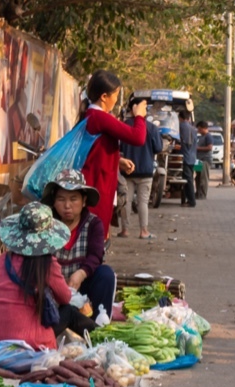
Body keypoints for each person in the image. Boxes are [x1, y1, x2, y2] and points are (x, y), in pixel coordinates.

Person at [0, 203, 96, 350]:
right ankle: (104, 338)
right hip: (32, 343)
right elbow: (65, 298)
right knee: (69, 312)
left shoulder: (3, 260)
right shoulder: (48, 264)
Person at [80, 71, 150, 237]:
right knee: (97, 234)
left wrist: (118, 160)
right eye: (116, 94)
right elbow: (138, 137)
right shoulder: (100, 117)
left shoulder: (92, 115)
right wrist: (139, 116)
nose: (116, 100)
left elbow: (95, 149)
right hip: (98, 184)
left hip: (97, 180)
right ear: (104, 96)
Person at [44, 169, 116, 317]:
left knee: (106, 274)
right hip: (51, 287)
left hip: (80, 285)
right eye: (61, 199)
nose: (67, 205)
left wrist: (81, 273)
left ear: (84, 201)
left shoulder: (93, 224)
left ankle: (98, 324)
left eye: (73, 199)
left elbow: (96, 255)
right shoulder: (46, 223)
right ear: (54, 201)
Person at [115, 106, 159, 237]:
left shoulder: (124, 126)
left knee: (126, 201)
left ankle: (125, 230)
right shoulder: (151, 128)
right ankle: (143, 231)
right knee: (143, 202)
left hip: (127, 169)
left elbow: (118, 146)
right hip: (145, 170)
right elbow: (158, 147)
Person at [175, 106, 201, 206]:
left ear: (180, 118)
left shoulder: (181, 127)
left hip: (185, 157)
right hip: (192, 157)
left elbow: (182, 143)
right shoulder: (193, 129)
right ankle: (186, 200)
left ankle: (191, 201)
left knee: (188, 180)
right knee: (188, 179)